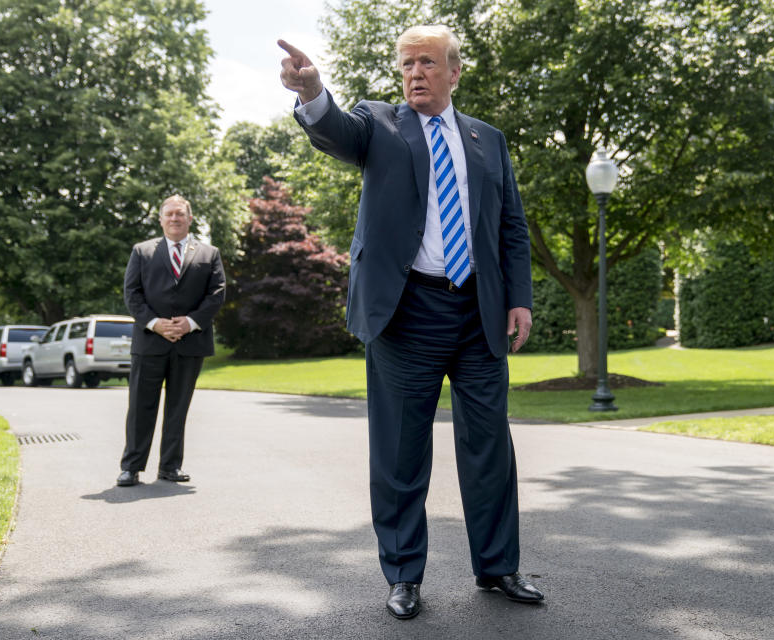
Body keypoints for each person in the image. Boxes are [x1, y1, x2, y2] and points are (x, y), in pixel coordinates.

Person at [279, 25, 543, 619]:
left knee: (489, 447)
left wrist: (518, 297)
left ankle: (498, 567)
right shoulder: (382, 124)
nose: (414, 73)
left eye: (427, 63)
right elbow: (335, 131)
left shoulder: (487, 140)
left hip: (479, 311)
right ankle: (403, 573)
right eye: (406, 65)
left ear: (453, 71)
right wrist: (314, 92)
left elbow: (511, 227)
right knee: (399, 451)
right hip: (406, 312)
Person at [116, 195, 226, 487]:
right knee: (140, 406)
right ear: (161, 219)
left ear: (190, 219)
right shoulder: (142, 252)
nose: (175, 218)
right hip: (150, 342)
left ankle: (170, 467)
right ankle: (131, 467)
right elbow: (132, 294)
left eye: (180, 214)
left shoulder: (209, 253)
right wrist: (155, 323)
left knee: (178, 408)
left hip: (190, 343)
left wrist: (189, 323)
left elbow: (216, 294)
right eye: (169, 214)